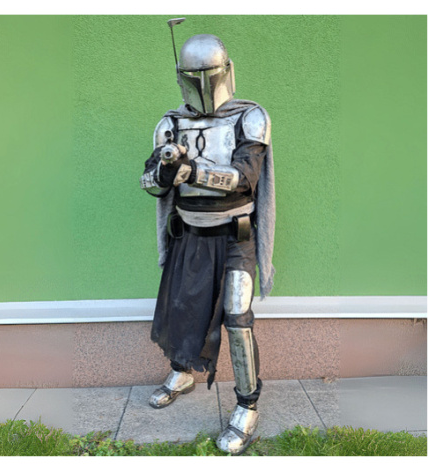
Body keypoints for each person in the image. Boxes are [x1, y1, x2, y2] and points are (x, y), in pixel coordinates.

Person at [140, 31, 275, 455]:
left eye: (209, 74)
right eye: (193, 76)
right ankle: (183, 372)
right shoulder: (170, 124)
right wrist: (166, 171)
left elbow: (244, 178)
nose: (202, 84)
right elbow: (149, 183)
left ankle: (247, 404)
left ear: (225, 71)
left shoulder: (249, 117)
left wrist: (191, 170)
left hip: (235, 236)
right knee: (183, 306)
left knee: (237, 318)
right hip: (190, 234)